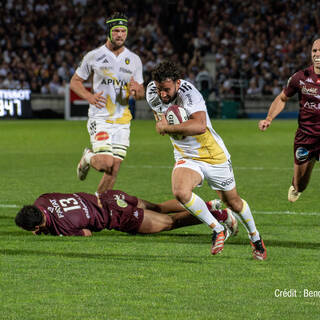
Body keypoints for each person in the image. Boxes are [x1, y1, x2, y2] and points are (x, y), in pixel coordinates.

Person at [146, 60, 266, 260]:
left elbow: (200, 125)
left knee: (233, 202)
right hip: (186, 155)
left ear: (177, 83)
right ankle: (218, 229)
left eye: (166, 89)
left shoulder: (190, 94)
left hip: (212, 154)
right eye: (159, 89)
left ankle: (256, 239)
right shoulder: (153, 92)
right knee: (180, 191)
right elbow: (160, 112)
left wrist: (167, 128)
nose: (163, 94)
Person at [70, 12, 145, 194]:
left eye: (123, 31)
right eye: (116, 30)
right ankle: (88, 157)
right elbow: (75, 82)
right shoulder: (94, 56)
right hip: (101, 118)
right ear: (109, 31)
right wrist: (89, 97)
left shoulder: (134, 60)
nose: (120, 34)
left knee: (114, 169)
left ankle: (99, 206)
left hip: (123, 121)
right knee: (105, 163)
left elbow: (141, 93)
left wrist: (138, 91)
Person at [15, 190, 238, 239]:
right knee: (159, 207)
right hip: (111, 196)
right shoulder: (42, 200)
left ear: (35, 226)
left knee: (169, 223)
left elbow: (86, 233)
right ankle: (206, 204)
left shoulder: (61, 228)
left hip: (119, 217)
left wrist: (53, 233)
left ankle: (216, 214)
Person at [258, 39, 320, 203]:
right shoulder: (301, 77)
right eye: (314, 51)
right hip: (305, 137)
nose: (317, 54)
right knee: (300, 185)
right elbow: (282, 98)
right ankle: (301, 177)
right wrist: (269, 118)